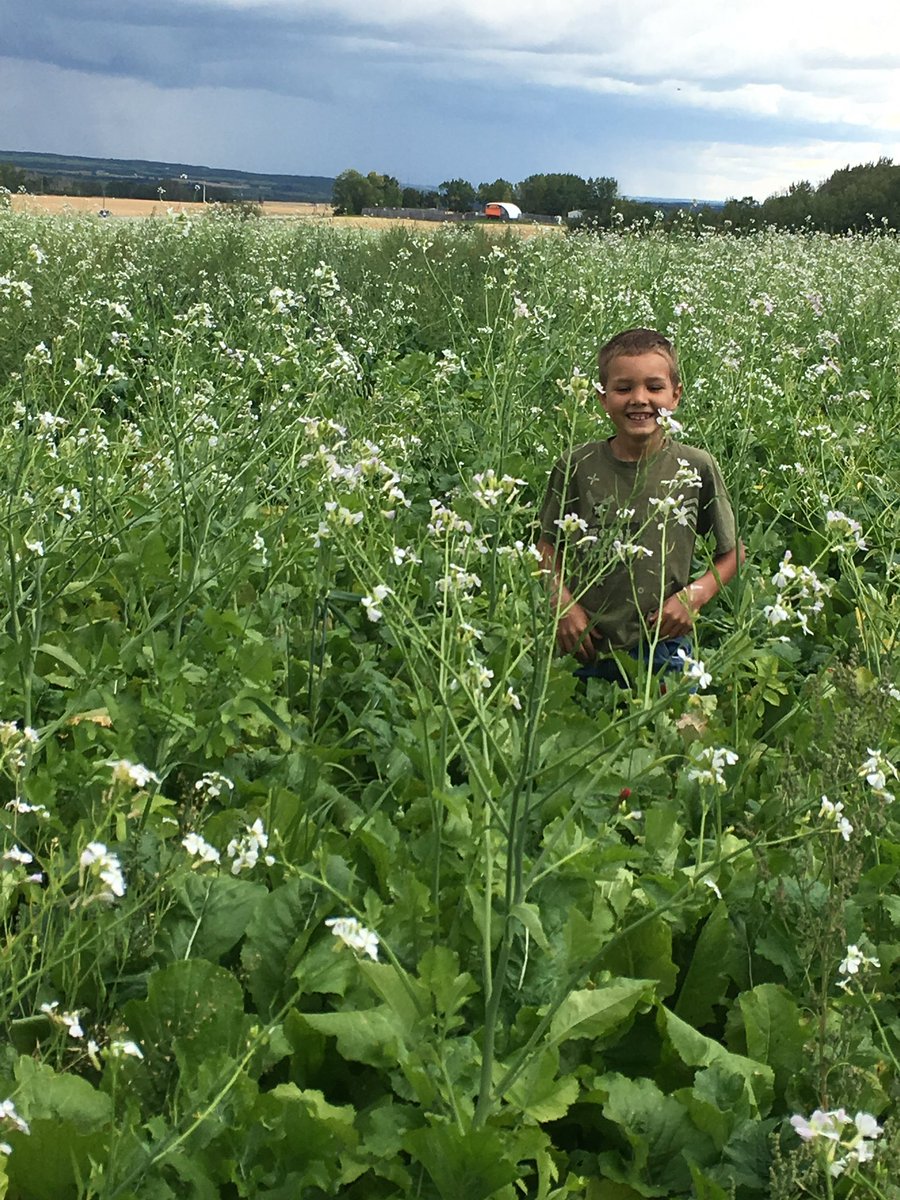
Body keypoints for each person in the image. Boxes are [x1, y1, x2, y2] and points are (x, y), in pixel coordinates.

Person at [536, 328, 743, 684]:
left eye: (654, 387)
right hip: (584, 642)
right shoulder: (576, 465)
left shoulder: (696, 467)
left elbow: (733, 553)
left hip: (663, 642)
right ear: (602, 398)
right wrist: (562, 605)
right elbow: (546, 547)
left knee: (672, 719)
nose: (639, 399)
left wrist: (694, 596)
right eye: (623, 388)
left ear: (675, 395)